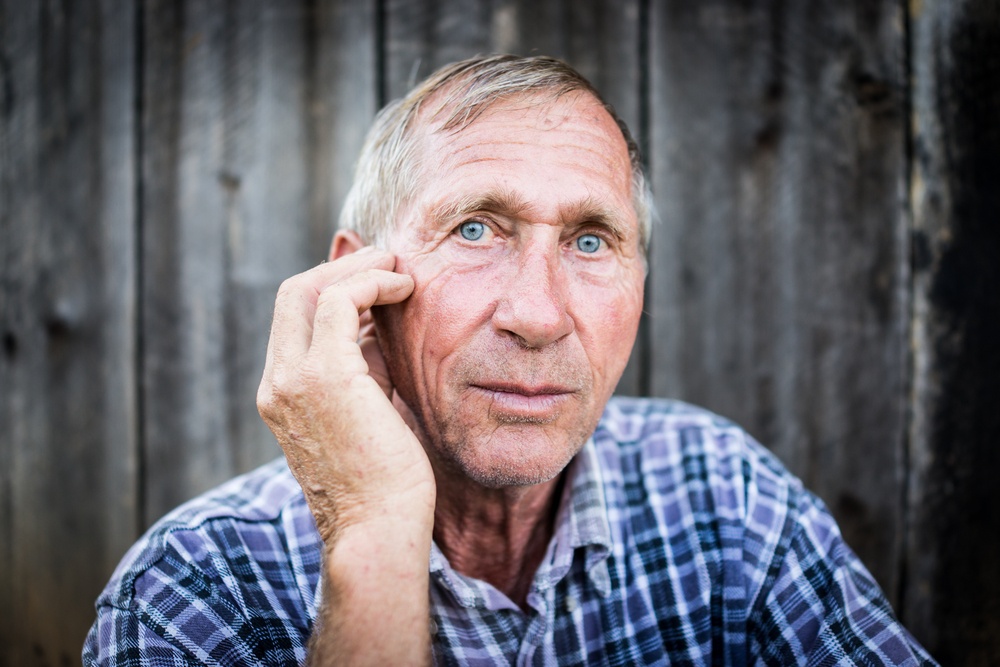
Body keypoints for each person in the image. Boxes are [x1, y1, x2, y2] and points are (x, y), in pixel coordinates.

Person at [84, 54, 936, 666]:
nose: (537, 315)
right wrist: (374, 529)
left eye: (592, 239)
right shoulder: (194, 591)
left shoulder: (724, 494)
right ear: (359, 283)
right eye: (476, 228)